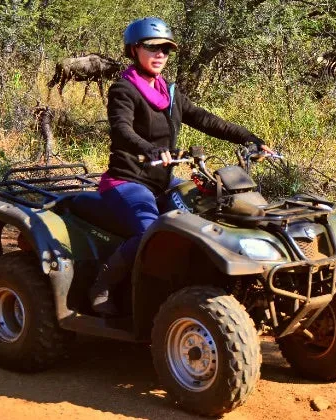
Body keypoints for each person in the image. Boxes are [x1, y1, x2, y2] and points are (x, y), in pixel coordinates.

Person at [89, 17, 273, 315]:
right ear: (134, 50)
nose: (160, 54)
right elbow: (122, 129)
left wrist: (249, 137)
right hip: (127, 182)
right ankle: (103, 283)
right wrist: (151, 149)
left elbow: (205, 119)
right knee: (151, 233)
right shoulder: (124, 90)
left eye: (165, 48)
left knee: (210, 212)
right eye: (152, 47)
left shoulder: (169, 93)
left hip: (162, 181)